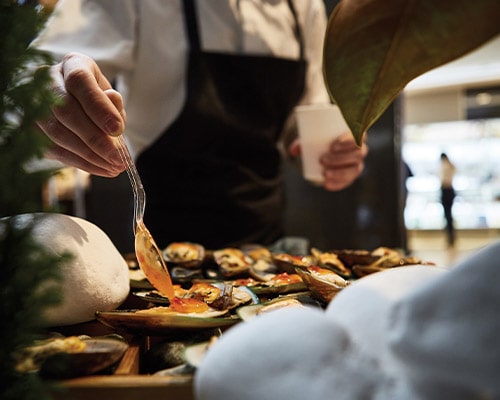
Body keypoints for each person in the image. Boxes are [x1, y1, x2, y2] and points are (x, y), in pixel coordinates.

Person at [33, 0, 368, 249]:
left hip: (266, 254)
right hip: (163, 250)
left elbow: (302, 122)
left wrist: (330, 153)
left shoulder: (303, 7)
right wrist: (46, 89)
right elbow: (32, 77)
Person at [440, 152, 456, 246]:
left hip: (446, 190)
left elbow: (443, 180)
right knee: (449, 215)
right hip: (450, 190)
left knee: (447, 215)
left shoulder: (444, 166)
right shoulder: (451, 166)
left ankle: (450, 238)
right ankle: (451, 237)